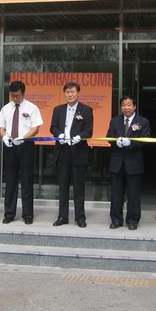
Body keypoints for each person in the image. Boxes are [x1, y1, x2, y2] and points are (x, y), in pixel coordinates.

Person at [0, 80, 43, 225]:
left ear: (23, 93)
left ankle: (27, 214)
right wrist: (4, 137)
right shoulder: (6, 108)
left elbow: (36, 128)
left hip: (26, 145)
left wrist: (23, 137)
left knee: (27, 180)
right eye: (12, 95)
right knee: (10, 180)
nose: (14, 98)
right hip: (10, 146)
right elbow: (0, 127)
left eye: (17, 95)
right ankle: (9, 213)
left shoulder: (32, 108)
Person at [49, 82, 94, 228]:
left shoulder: (86, 110)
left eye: (72, 92)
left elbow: (89, 130)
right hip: (62, 151)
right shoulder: (58, 109)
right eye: (67, 92)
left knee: (79, 187)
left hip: (78, 151)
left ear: (77, 93)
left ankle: (80, 217)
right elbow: (53, 127)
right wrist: (60, 134)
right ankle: (62, 216)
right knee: (63, 186)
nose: (70, 94)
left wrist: (79, 137)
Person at [107, 95, 150, 230]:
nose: (126, 108)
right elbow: (109, 136)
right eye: (123, 105)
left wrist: (130, 142)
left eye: (129, 105)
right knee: (116, 194)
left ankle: (133, 220)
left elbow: (145, 139)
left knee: (133, 194)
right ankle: (116, 220)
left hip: (134, 163)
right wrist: (116, 142)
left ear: (134, 106)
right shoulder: (115, 121)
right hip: (117, 163)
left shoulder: (143, 122)